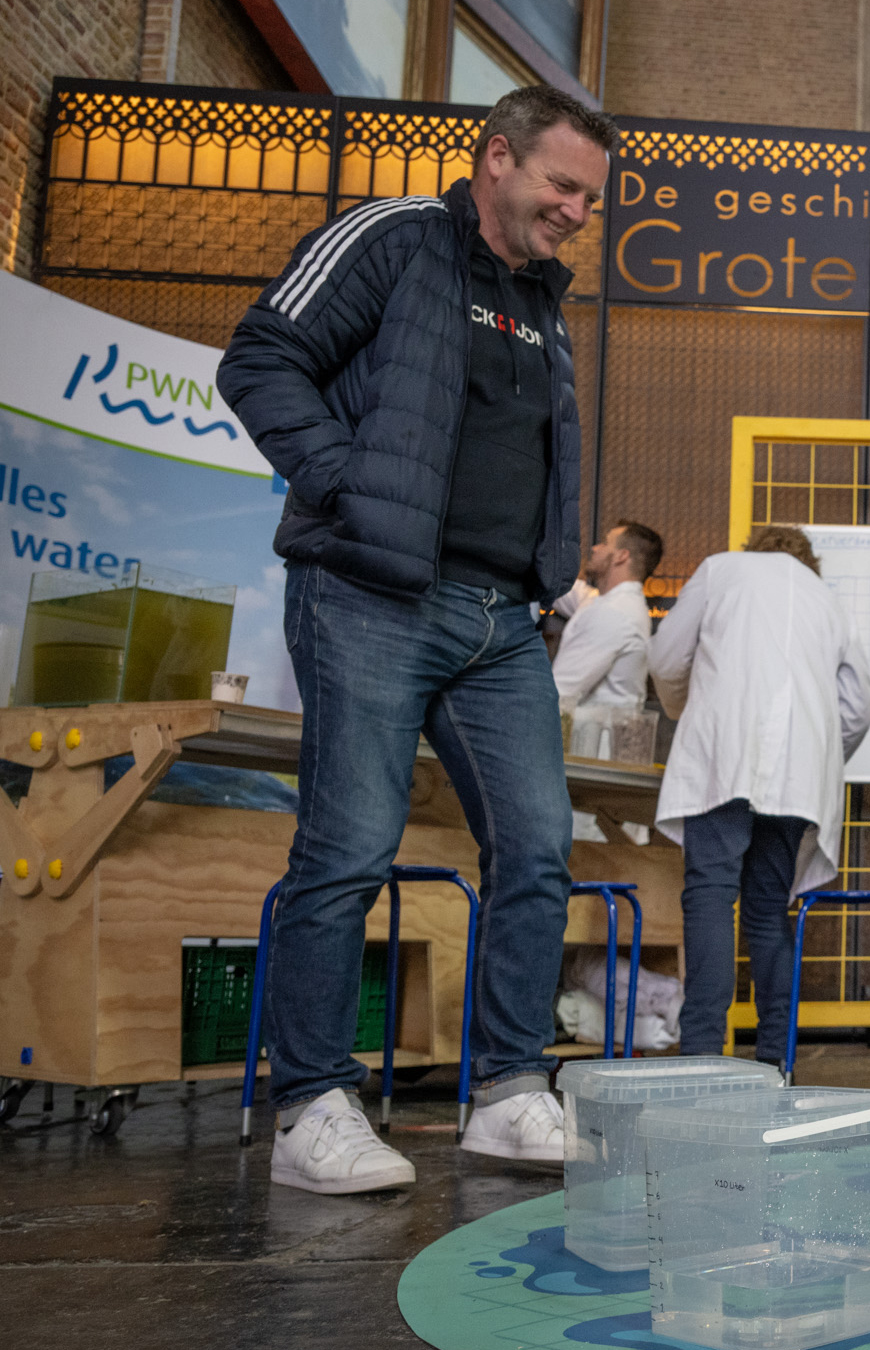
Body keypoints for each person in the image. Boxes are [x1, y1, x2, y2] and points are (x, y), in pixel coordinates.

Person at [217, 85, 615, 1193]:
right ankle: (311, 1107)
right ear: (497, 158)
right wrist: (347, 484)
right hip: (371, 596)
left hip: (501, 621)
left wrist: (545, 575)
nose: (578, 212)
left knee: (538, 847)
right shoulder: (393, 239)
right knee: (348, 848)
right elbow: (257, 357)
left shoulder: (542, 303)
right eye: (563, 185)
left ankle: (510, 1092)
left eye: (592, 198)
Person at [650, 526, 870, 1063]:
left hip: (724, 753)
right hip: (799, 775)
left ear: (756, 548)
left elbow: (665, 659)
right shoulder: (830, 601)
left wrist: (689, 710)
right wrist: (817, 756)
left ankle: (702, 1055)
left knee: (710, 894)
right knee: (767, 912)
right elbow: (858, 710)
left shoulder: (721, 569)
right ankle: (776, 1059)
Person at [553, 519, 663, 720]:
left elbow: (561, 691)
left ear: (622, 556)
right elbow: (566, 591)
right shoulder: (612, 603)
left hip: (590, 736)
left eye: (605, 543)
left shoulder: (615, 613)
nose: (595, 548)